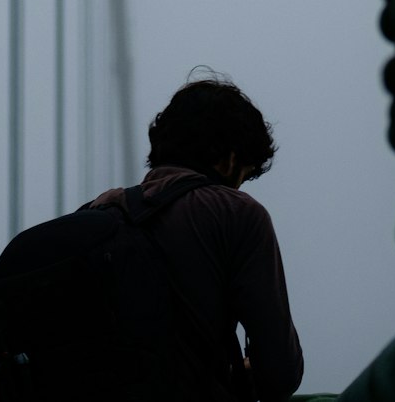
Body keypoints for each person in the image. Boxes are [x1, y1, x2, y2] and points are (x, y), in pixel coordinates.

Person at [89, 74, 304, 402]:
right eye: (243, 178)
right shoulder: (236, 212)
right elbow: (280, 374)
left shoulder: (96, 212)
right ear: (230, 159)